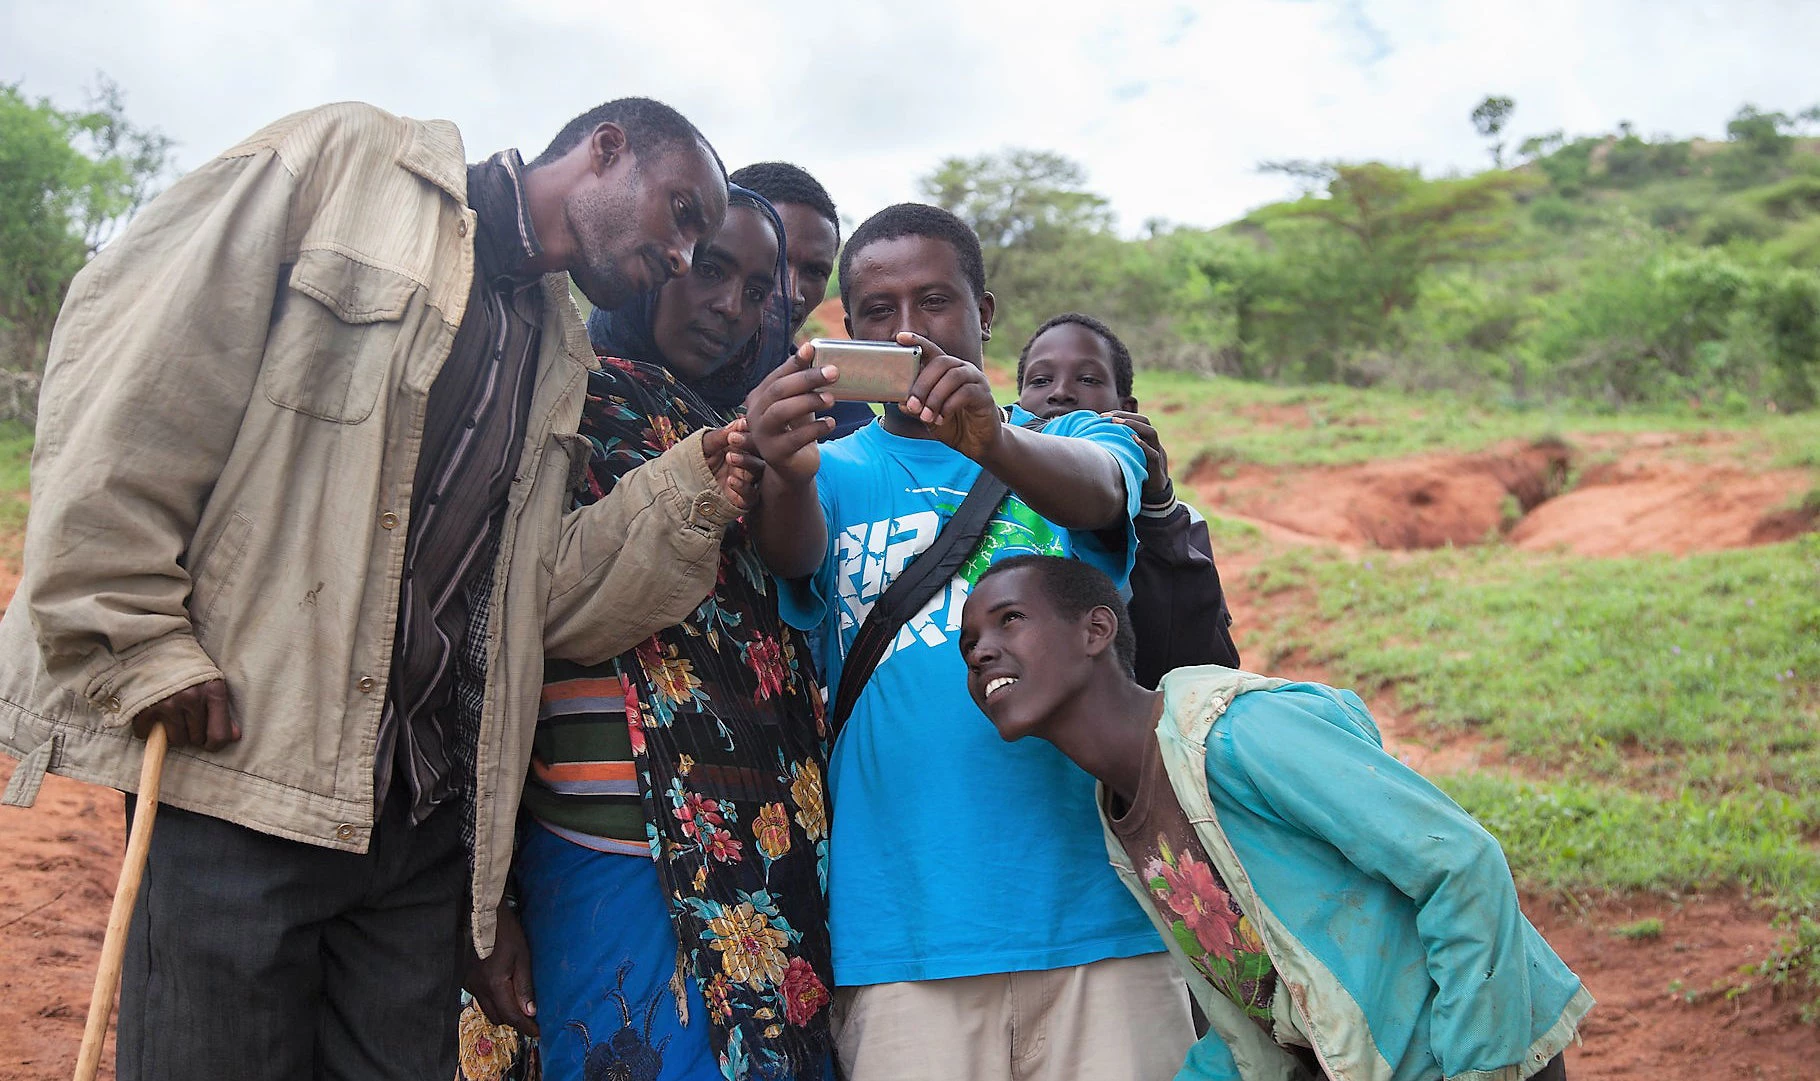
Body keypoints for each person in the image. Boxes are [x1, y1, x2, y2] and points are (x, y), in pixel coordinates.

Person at [0, 97, 759, 1081]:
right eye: (683, 212)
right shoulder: (348, 167)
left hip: (419, 821)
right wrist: (137, 633)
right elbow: (145, 365)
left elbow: (536, 592)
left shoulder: (555, 351)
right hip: (247, 776)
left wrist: (695, 478)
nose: (686, 252)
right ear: (604, 150)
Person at [745, 203, 1195, 1080]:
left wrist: (993, 437)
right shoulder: (835, 469)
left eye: (935, 301)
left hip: (1105, 924)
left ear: (985, 311)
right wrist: (783, 471)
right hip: (905, 943)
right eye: (878, 311)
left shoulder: (1072, 435)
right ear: (848, 329)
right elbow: (789, 551)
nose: (909, 330)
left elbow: (1104, 491)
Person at [956, 555, 1593, 1081]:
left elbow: (1460, 862)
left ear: (1096, 631)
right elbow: (1251, 1010)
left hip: (1473, 1051)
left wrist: (1476, 1066)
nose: (982, 653)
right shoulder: (1124, 817)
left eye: (1010, 620)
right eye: (968, 645)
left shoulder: (1235, 734)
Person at [464, 187, 838, 1081]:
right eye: (711, 269)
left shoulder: (752, 423)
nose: (734, 306)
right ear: (660, 260)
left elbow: (793, 579)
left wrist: (780, 463)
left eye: (758, 289)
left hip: (761, 837)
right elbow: (512, 609)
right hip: (601, 829)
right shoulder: (549, 398)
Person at [1015, 313, 1239, 684]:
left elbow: (1197, 664)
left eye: (1087, 379)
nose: (1059, 392)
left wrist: (1159, 513)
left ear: (1127, 408)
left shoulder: (1176, 521)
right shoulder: (985, 492)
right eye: (1040, 380)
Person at [727, 161, 873, 440]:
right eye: (775, 259)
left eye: (815, 271)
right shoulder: (635, 380)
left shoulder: (841, 420)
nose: (792, 293)